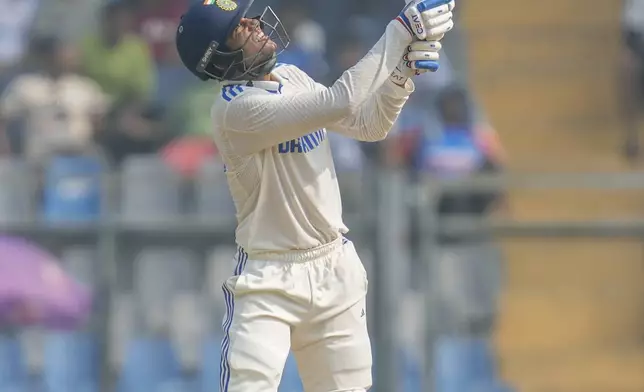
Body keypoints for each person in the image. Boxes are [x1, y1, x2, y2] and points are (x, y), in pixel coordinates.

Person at [175, 0, 455, 391]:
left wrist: (401, 75)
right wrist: (401, 31)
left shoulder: (292, 76)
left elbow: (368, 124)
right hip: (269, 280)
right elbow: (341, 100)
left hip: (333, 268)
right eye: (240, 27)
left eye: (249, 17)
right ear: (219, 56)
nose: (255, 23)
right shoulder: (235, 110)